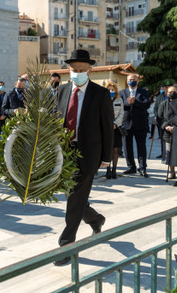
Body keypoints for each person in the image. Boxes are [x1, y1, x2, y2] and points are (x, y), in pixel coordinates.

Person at [53, 49, 113, 266]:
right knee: (73, 195)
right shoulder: (61, 91)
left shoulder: (100, 93)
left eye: (82, 70)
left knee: (74, 198)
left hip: (89, 153)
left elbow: (107, 127)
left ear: (89, 70)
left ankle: (66, 244)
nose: (77, 73)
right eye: (73, 69)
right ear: (68, 70)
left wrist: (107, 156)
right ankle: (95, 218)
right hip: (65, 153)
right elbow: (55, 121)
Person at [119, 73, 150, 177]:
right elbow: (120, 105)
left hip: (140, 124)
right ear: (127, 81)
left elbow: (146, 104)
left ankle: (142, 168)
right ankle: (131, 167)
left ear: (137, 81)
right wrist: (129, 103)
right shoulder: (122, 92)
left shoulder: (143, 92)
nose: (131, 81)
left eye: (133, 79)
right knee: (127, 147)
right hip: (126, 124)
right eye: (130, 79)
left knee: (141, 147)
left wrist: (135, 102)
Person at [105, 80, 124, 179]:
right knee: (107, 149)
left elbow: (121, 113)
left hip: (116, 128)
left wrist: (115, 124)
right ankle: (107, 169)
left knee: (115, 149)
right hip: (106, 128)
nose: (111, 91)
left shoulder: (119, 100)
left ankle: (114, 170)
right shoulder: (103, 99)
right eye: (109, 90)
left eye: (112, 89)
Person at [159, 85, 177, 180]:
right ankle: (172, 172)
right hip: (167, 132)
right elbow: (160, 118)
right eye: (170, 91)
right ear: (166, 93)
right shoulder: (163, 104)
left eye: (174, 91)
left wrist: (176, 126)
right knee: (169, 153)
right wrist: (166, 126)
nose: (172, 93)